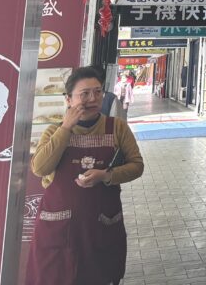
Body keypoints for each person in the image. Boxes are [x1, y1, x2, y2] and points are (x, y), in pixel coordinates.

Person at [27, 66, 145, 285]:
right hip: (59, 230)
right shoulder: (54, 131)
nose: (93, 99)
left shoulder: (117, 128)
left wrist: (106, 175)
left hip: (101, 225)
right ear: (68, 99)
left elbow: (137, 166)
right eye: (85, 94)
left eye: (98, 92)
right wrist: (66, 128)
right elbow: (40, 168)